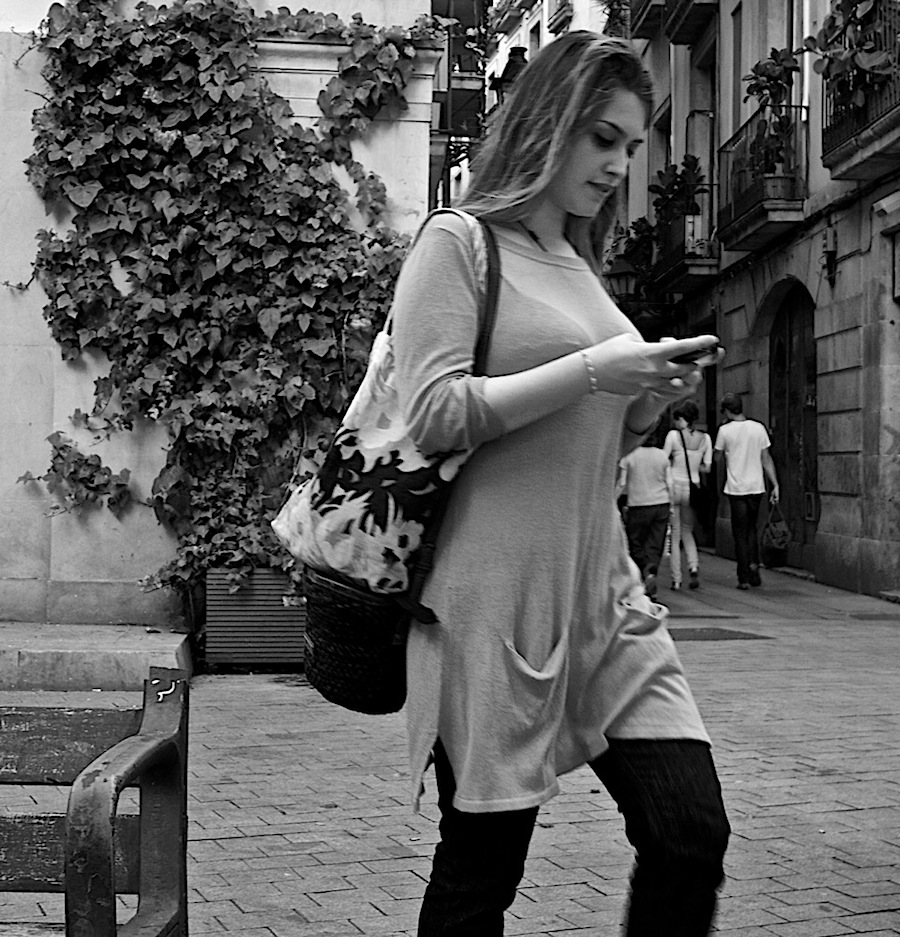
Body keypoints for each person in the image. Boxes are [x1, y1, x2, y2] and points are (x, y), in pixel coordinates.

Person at [388, 32, 730, 936]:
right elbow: (434, 412)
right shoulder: (457, 242)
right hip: (493, 606)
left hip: (606, 600)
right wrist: (592, 371)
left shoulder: (581, 264)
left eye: (631, 145)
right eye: (602, 137)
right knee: (481, 871)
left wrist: (646, 400)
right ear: (549, 122)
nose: (619, 164)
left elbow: (600, 445)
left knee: (690, 831)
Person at [714, 392, 780, 589]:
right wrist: (775, 484)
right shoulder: (758, 428)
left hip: (736, 488)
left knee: (740, 532)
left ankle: (743, 577)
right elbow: (766, 458)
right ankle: (754, 565)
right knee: (752, 528)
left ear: (727, 411)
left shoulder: (724, 431)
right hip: (756, 486)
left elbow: (717, 457)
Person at [663, 401, 713, 590]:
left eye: (678, 419)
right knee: (687, 530)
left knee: (675, 535)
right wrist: (694, 465)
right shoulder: (705, 439)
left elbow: (663, 460)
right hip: (693, 488)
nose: (676, 423)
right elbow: (707, 468)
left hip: (675, 486)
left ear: (683, 419)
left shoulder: (673, 436)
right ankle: (693, 566)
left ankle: (676, 579)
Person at [617, 434, 673, 599]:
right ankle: (651, 570)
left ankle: (644, 572)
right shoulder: (662, 455)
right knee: (655, 543)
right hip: (661, 503)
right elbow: (670, 483)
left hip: (638, 505)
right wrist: (672, 504)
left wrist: (612, 501)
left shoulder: (629, 455)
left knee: (635, 542)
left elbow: (622, 483)